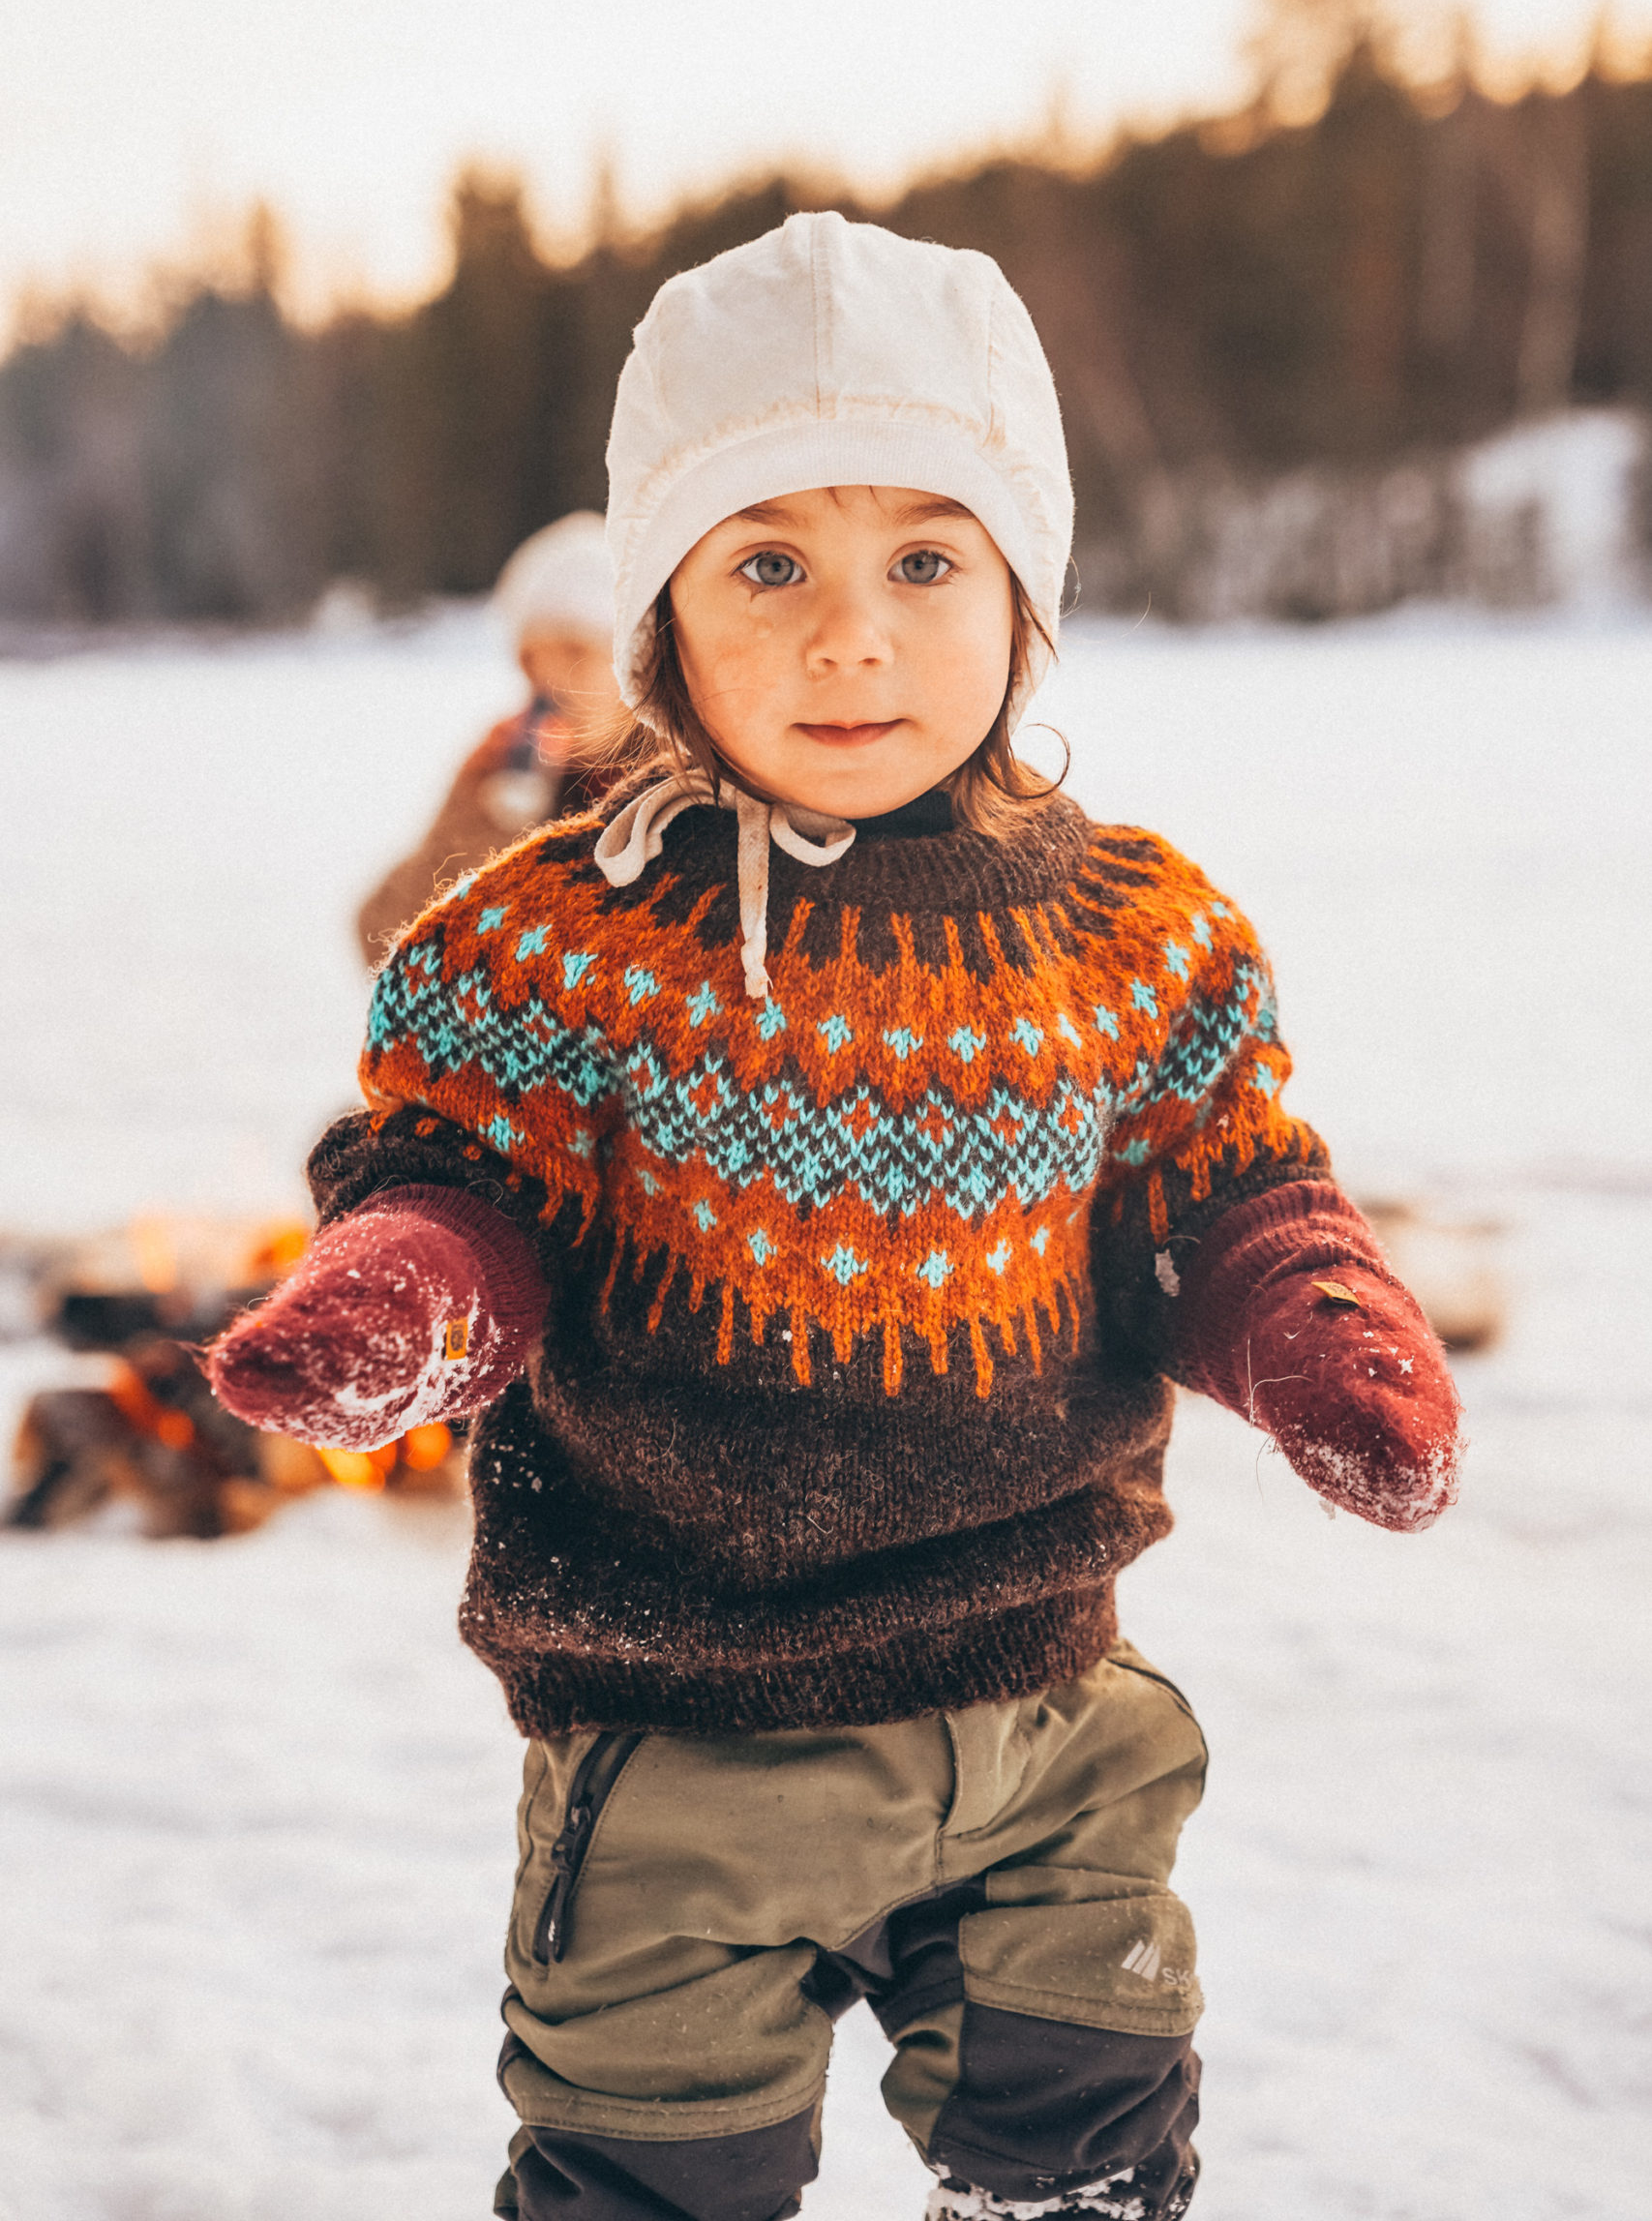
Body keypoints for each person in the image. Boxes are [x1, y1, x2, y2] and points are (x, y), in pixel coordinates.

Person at [210, 214, 1463, 2221]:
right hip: (686, 1729)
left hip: (1049, 1711)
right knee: (651, 2176)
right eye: (766, 559)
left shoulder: (1131, 933)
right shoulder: (555, 941)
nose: (848, 633)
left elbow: (1219, 1187)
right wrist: (407, 1287)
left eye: (922, 558)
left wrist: (1311, 1321)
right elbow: (460, 1180)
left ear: (1022, 595)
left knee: (1089, 2156)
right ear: (663, 617)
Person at [355, 511, 617, 964]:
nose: (550, 678)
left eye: (576, 651)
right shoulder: (502, 761)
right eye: (533, 658)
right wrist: (467, 837)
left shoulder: (682, 773)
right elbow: (378, 935)